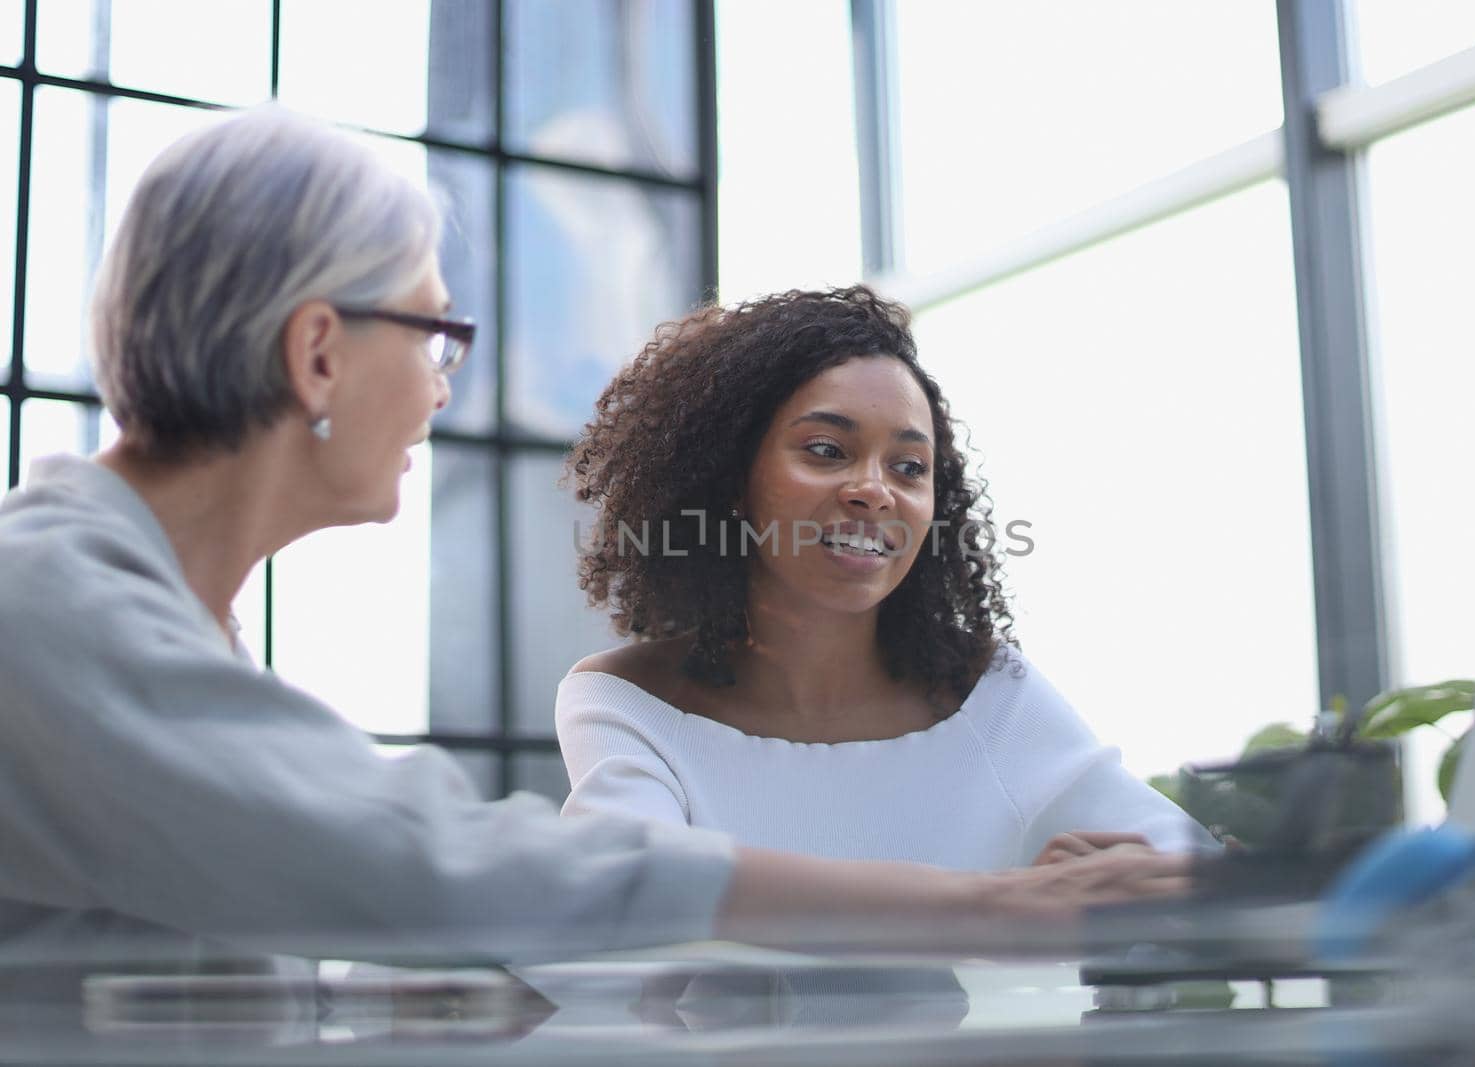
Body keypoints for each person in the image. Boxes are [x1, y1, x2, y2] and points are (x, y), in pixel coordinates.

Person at [0, 109, 1187, 1010]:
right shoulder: (47, 610)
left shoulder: (154, 618)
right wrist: (983, 908)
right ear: (318, 352)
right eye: (435, 332)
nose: (439, 382)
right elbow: (426, 860)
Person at [557, 286, 1209, 869]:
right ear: (731, 480)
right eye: (826, 451)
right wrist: (1005, 909)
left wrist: (1156, 875)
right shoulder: (627, 703)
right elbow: (640, 902)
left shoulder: (988, 698)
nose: (874, 489)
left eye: (908, 466)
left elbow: (1189, 864)